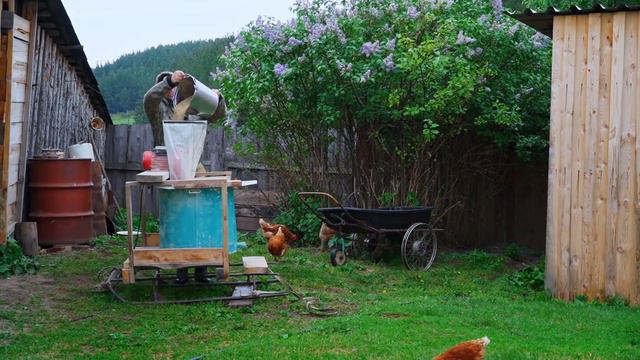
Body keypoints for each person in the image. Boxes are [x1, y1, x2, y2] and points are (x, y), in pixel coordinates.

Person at [143, 70, 227, 284]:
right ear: (163, 89)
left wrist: (218, 99)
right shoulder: (156, 108)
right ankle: (181, 271)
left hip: (193, 164)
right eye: (168, 87)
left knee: (201, 216)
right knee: (177, 218)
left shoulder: (188, 106)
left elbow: (216, 115)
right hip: (169, 164)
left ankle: (201, 270)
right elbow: (149, 97)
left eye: (174, 87)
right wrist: (169, 81)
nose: (172, 91)